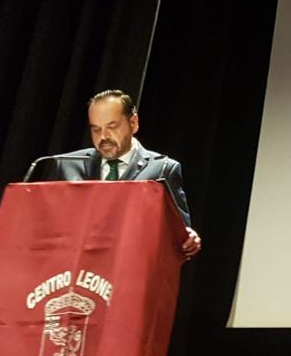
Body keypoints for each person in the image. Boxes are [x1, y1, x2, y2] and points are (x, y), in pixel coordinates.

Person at [37, 89, 201, 259]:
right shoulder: (67, 165)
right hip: (70, 273)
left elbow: (180, 236)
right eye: (96, 129)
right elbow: (42, 226)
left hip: (129, 272)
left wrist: (188, 238)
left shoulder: (163, 169)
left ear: (133, 123)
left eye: (112, 127)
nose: (103, 137)